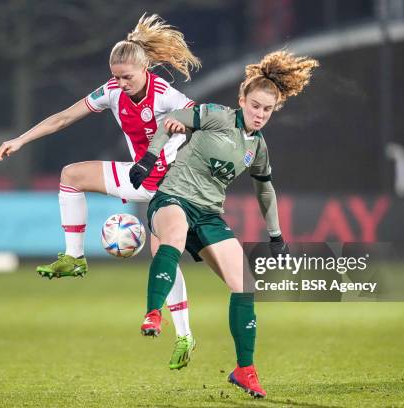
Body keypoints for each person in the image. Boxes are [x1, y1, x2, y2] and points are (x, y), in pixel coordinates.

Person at [0, 14, 200, 370]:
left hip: (171, 186)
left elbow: (198, 118)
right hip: (138, 177)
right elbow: (63, 117)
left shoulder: (166, 94)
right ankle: (74, 257)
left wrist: (181, 125)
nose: (120, 83)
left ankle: (183, 335)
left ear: (146, 68)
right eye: (116, 76)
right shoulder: (110, 91)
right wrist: (20, 139)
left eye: (127, 77)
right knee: (71, 175)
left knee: (161, 255)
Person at [129, 50, 318, 398]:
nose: (260, 114)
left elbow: (266, 190)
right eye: (255, 105)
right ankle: (154, 314)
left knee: (244, 285)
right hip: (173, 198)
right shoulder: (217, 116)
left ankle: (244, 370)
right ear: (242, 100)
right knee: (173, 234)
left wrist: (276, 235)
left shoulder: (257, 147)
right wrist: (149, 160)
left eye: (267, 110)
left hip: (209, 215)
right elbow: (171, 117)